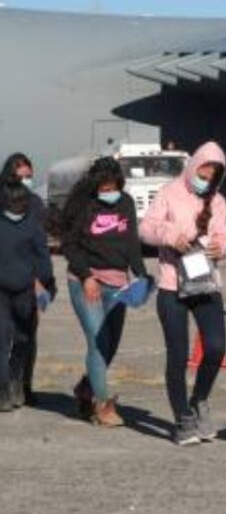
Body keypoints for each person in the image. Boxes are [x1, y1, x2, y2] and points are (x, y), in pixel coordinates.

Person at [140, 141, 226, 445]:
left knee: (216, 347)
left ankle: (199, 399)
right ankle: (182, 418)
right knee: (177, 355)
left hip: (206, 282)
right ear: (193, 165)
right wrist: (169, 235)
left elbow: (225, 235)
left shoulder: (218, 201)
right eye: (204, 171)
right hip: (172, 285)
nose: (207, 178)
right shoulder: (168, 192)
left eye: (213, 175)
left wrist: (222, 246)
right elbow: (146, 228)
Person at [61, 157, 149, 426]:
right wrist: (86, 277)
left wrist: (142, 275)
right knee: (98, 341)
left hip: (118, 283)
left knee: (111, 345)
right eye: (104, 189)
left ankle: (85, 388)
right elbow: (70, 245)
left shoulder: (126, 203)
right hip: (86, 281)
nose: (109, 193)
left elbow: (132, 243)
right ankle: (102, 406)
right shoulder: (84, 205)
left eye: (113, 188)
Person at [0, 180, 55, 412]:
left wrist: (47, 284)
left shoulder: (33, 226)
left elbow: (43, 259)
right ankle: (3, 391)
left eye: (21, 202)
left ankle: (15, 381)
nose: (17, 206)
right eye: (13, 202)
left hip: (25, 292)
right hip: (1, 293)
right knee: (2, 342)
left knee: (23, 340)